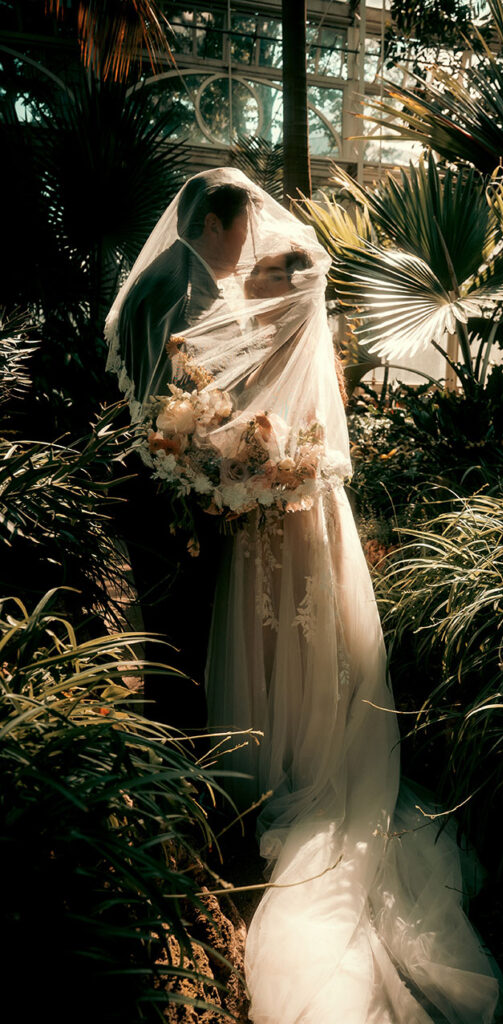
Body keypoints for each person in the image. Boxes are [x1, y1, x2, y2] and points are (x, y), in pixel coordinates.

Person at [112, 168, 502, 1022]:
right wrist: (221, 460)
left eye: (252, 253)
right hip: (287, 493)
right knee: (299, 636)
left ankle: (276, 763)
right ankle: (292, 756)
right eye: (238, 239)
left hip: (276, 496)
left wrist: (221, 463)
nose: (242, 258)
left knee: (280, 635)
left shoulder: (253, 294)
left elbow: (219, 400)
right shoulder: (221, 293)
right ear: (223, 223)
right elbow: (222, 401)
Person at [104, 171, 251, 728]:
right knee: (182, 641)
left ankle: (163, 764)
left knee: (164, 642)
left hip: (146, 487)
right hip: (175, 497)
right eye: (242, 227)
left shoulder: (156, 276)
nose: (246, 241)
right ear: (213, 223)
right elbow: (191, 398)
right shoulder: (189, 290)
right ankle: (182, 777)